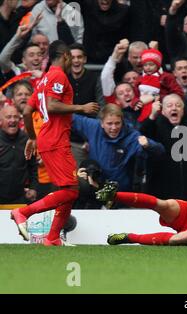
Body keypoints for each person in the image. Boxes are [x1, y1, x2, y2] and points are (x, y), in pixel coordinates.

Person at [10, 40, 100, 246]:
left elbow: (26, 111)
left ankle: (52, 238)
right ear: (66, 56)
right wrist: (81, 108)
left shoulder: (43, 80)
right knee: (71, 190)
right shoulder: (58, 75)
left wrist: (32, 137)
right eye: (71, 58)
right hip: (56, 140)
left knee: (67, 189)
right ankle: (23, 212)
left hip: (47, 139)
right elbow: (51, 105)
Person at [72, 103, 165, 192]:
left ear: (122, 121)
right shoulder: (93, 127)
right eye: (109, 123)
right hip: (95, 188)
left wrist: (148, 145)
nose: (114, 127)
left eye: (117, 123)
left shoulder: (131, 136)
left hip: (120, 192)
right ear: (102, 123)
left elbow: (160, 151)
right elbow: (69, 118)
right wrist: (79, 107)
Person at [0, 105, 38, 204]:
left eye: (16, 117)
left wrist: (33, 188)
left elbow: (33, 167)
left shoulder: (27, 140)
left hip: (20, 198)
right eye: (8, 117)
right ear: (1, 120)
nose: (13, 120)